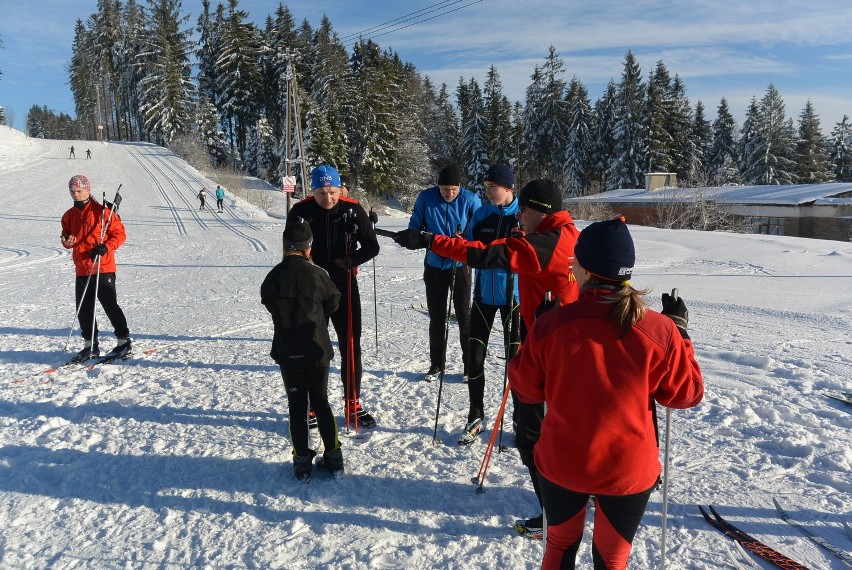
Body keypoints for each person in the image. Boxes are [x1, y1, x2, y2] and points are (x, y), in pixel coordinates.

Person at [508, 218, 704, 569]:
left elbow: (525, 387)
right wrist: (681, 335)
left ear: (583, 268)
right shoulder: (659, 330)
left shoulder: (553, 326)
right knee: (612, 560)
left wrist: (538, 326)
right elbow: (685, 394)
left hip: (564, 463)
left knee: (559, 548)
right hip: (626, 469)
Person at [394, 179, 579, 538]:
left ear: (541, 211)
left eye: (524, 210)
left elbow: (484, 254)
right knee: (551, 430)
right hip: (553, 341)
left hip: (548, 351)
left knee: (532, 435)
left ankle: (556, 517)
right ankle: (566, 505)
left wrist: (432, 241)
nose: (520, 217)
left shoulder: (545, 243)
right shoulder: (570, 234)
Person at [288, 165, 380, 428]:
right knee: (314, 348)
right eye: (321, 193)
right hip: (311, 288)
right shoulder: (300, 211)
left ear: (340, 189)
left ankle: (353, 402)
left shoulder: (353, 208)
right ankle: (314, 406)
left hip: (344, 285)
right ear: (312, 191)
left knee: (351, 345)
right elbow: (290, 249)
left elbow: (372, 246)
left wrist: (350, 260)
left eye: (332, 192)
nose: (327, 199)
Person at [261, 216, 345, 481]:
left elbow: (268, 301)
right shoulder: (318, 273)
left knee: (297, 404)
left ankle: (301, 462)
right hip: (317, 349)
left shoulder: (274, 276)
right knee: (320, 401)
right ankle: (334, 456)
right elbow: (334, 301)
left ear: (286, 246)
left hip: (288, 351)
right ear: (309, 247)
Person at [458, 164, 521, 446]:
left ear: (507, 188)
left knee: (517, 363)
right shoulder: (481, 215)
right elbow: (468, 249)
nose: (487, 192)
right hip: (483, 296)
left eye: (491, 187)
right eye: (485, 187)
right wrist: (461, 247)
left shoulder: (521, 217)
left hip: (514, 299)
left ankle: (521, 419)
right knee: (474, 357)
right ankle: (476, 414)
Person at [407, 165, 481, 382]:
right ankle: (436, 364)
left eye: (454, 189)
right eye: (445, 189)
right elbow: (415, 227)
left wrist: (465, 240)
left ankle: (469, 367)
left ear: (460, 187)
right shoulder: (426, 198)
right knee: (437, 317)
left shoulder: (470, 199)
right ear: (437, 186)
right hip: (434, 265)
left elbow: (479, 229)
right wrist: (417, 238)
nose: (449, 194)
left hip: (460, 265)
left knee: (464, 317)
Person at [60, 174, 132, 361]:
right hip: (82, 267)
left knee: (109, 304)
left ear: (87, 190)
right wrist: (67, 241)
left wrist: (106, 246)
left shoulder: (103, 213)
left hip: (103, 266)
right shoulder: (68, 215)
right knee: (84, 308)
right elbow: (66, 239)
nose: (75, 194)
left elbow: (120, 234)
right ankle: (90, 345)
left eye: (79, 190)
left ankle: (124, 341)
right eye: (72, 191)